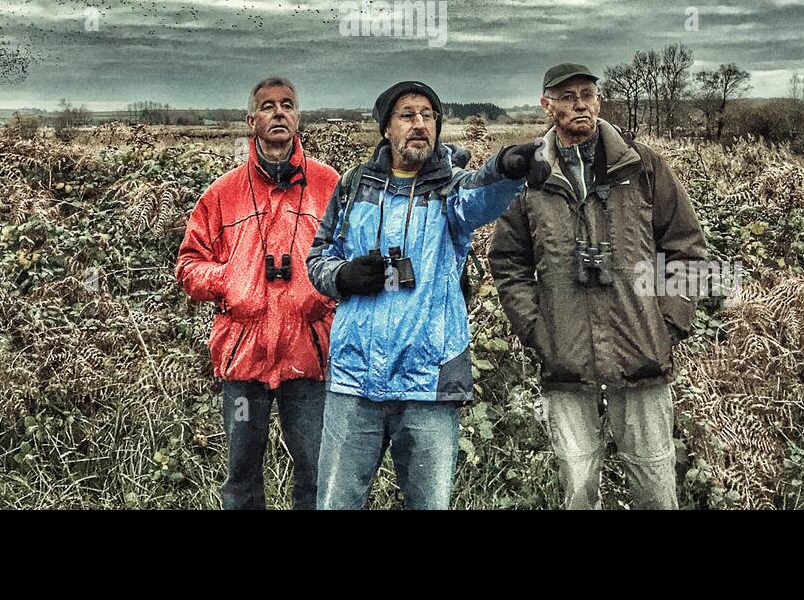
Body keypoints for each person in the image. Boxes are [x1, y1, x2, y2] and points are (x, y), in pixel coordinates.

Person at [307, 80, 548, 509]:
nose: (419, 124)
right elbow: (318, 258)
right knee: (335, 502)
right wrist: (343, 276)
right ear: (386, 128)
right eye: (407, 115)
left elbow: (480, 194)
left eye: (428, 115)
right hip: (354, 378)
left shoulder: (449, 188)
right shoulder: (353, 186)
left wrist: (510, 166)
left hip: (428, 383)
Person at [489, 63, 708, 509]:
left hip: (641, 354)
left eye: (587, 94)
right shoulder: (529, 179)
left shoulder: (642, 166)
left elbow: (686, 248)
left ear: (599, 101)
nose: (580, 104)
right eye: (567, 96)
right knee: (578, 487)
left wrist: (668, 323)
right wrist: (537, 331)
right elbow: (508, 261)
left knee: (655, 487)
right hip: (565, 360)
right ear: (546, 105)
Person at [176, 77, 339, 509]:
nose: (279, 112)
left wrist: (324, 293)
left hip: (310, 359)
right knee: (242, 476)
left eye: (287, 105)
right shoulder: (222, 194)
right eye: (268, 107)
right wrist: (231, 279)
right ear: (252, 121)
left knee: (316, 473)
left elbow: (353, 258)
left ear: (298, 118)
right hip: (244, 362)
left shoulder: (328, 185)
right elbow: (188, 265)